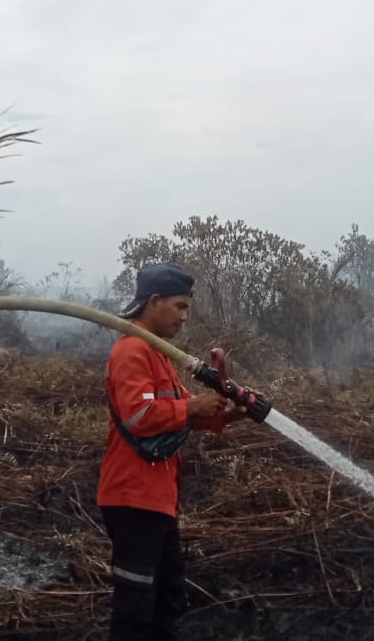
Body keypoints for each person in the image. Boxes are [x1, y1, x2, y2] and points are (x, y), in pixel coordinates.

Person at [97, 262, 253, 641]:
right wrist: (192, 407)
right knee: (135, 608)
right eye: (180, 306)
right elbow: (140, 416)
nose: (185, 317)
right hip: (133, 497)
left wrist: (229, 414)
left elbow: (181, 416)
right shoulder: (132, 350)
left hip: (157, 499)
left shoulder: (158, 354)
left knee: (166, 600)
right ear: (154, 301)